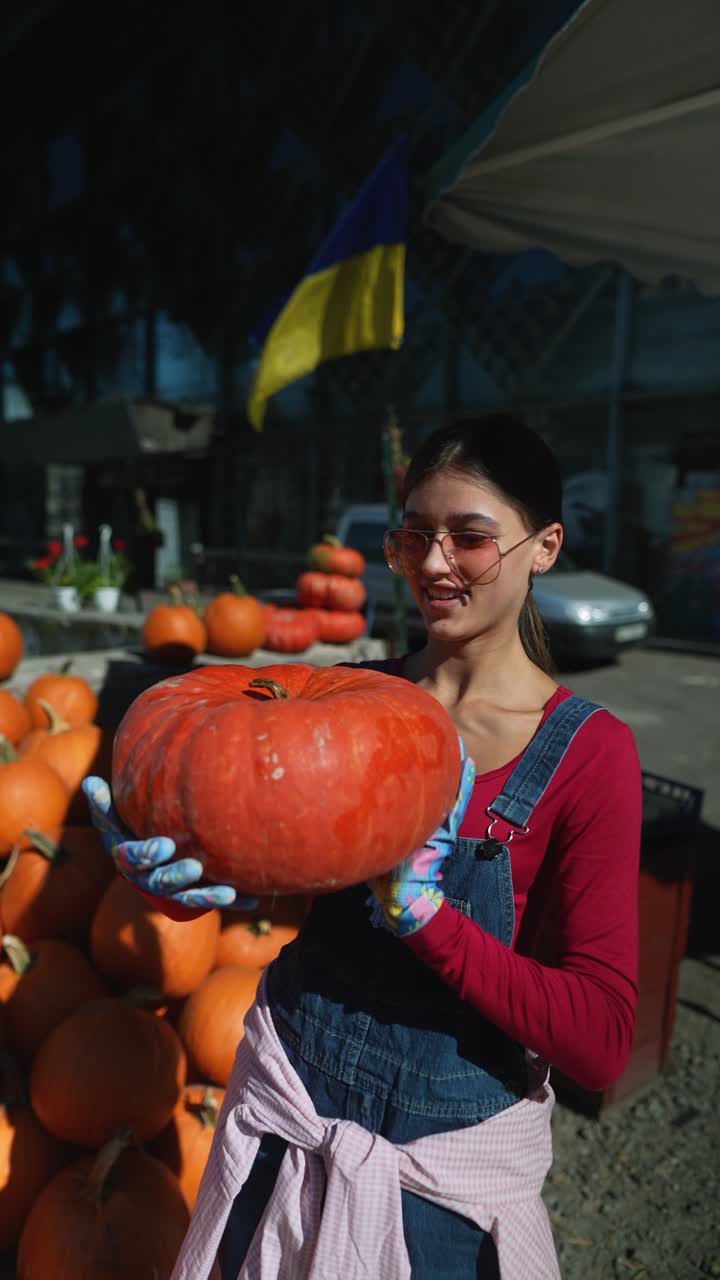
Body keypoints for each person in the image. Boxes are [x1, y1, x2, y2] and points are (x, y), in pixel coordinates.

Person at [84, 416, 642, 1279]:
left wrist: (428, 919)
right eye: (414, 535)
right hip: (290, 1114)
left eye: (469, 538)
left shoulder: (588, 754)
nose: (433, 564)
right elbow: (282, 883)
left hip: (436, 1185)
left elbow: (601, 1038)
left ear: (545, 547)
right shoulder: (354, 700)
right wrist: (180, 887)